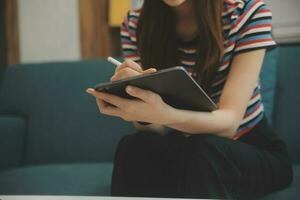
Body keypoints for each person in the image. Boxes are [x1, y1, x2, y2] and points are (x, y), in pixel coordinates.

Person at [86, 0, 293, 198]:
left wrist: (165, 114)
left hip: (249, 145)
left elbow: (230, 122)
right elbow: (153, 129)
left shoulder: (247, 13)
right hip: (187, 145)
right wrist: (135, 100)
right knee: (135, 147)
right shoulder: (134, 23)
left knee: (204, 150)